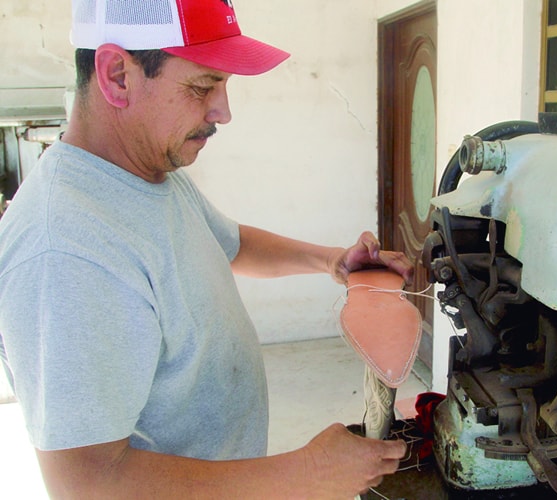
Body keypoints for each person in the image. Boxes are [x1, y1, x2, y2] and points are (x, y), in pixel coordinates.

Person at [0, 0, 414, 498]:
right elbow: (86, 483)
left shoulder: (147, 173)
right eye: (202, 86)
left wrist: (330, 261)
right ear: (116, 74)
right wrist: (302, 474)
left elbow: (229, 244)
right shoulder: (66, 251)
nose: (223, 112)